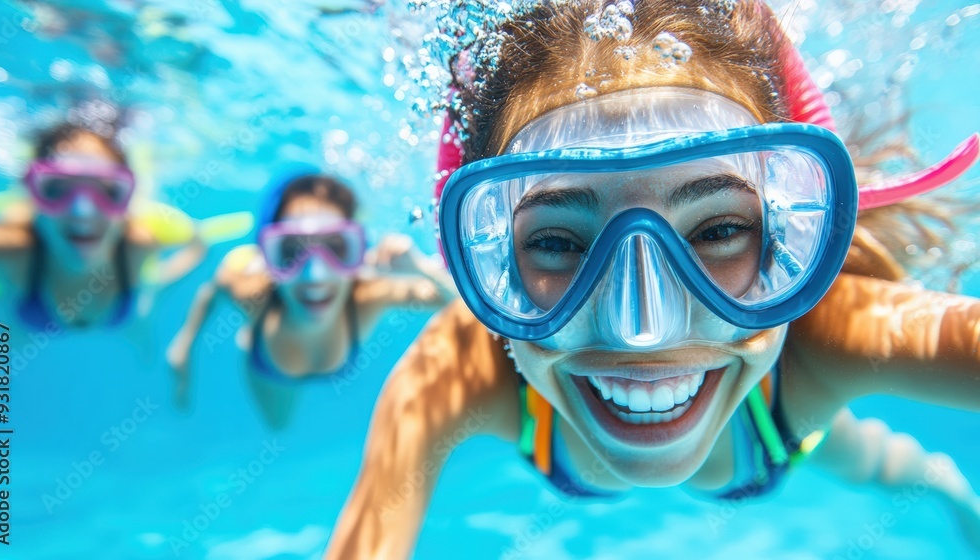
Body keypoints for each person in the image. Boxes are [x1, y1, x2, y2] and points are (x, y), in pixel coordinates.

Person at [325, 1, 980, 557]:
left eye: (719, 231)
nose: (642, 331)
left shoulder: (825, 333)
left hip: (772, 430)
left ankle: (943, 483)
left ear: (789, 234)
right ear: (490, 262)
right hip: (761, 414)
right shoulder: (460, 366)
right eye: (556, 242)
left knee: (869, 461)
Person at [166, 170, 457, 428]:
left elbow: (456, 301)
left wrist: (419, 266)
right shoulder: (252, 293)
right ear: (271, 259)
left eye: (336, 248)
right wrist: (184, 343)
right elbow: (210, 293)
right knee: (278, 426)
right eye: (291, 251)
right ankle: (247, 335)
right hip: (269, 370)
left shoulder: (368, 294)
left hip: (300, 359)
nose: (315, 275)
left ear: (357, 251)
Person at [0, 122, 207, 329]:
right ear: (33, 194)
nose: (82, 212)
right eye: (56, 189)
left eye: (108, 191)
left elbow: (198, 245)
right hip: (20, 331)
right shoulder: (13, 250)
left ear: (127, 199)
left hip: (126, 324)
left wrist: (154, 289)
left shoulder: (137, 243)